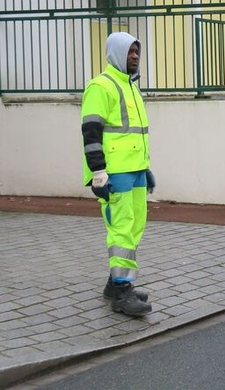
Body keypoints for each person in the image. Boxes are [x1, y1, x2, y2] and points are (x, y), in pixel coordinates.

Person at [81, 31, 154, 318]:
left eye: (137, 51)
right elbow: (91, 132)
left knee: (135, 226)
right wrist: (98, 172)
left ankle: (115, 283)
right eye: (129, 51)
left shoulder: (130, 86)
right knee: (122, 229)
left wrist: (146, 168)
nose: (134, 56)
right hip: (115, 172)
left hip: (135, 170)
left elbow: (136, 135)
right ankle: (122, 292)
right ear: (115, 54)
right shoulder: (101, 86)